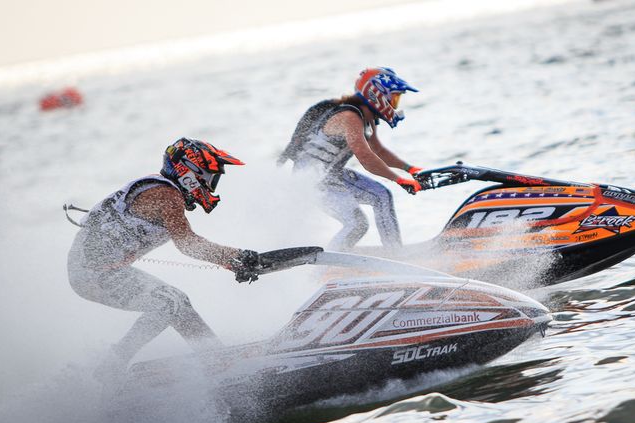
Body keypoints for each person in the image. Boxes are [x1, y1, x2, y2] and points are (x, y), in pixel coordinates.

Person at [67, 137, 260, 375]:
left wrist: (231, 261)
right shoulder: (167, 196)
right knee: (168, 303)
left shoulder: (162, 190)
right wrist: (238, 257)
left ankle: (215, 359)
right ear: (189, 173)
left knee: (179, 302)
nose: (211, 186)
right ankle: (111, 365)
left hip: (100, 269)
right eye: (210, 178)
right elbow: (188, 243)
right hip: (91, 273)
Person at [279, 67, 423, 251]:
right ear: (376, 95)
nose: (394, 105)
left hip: (332, 175)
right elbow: (365, 157)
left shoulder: (365, 116)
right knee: (357, 224)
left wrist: (409, 169)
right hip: (313, 182)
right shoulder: (350, 117)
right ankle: (327, 266)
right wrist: (399, 179)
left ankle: (396, 253)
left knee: (382, 196)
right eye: (393, 98)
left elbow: (377, 150)